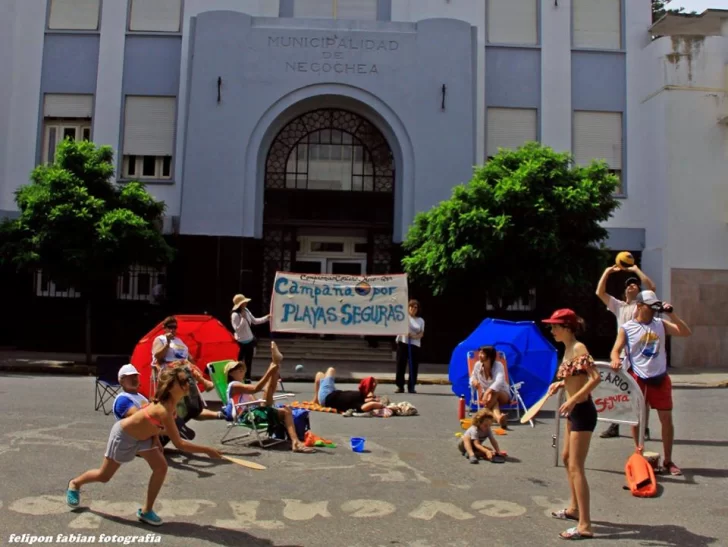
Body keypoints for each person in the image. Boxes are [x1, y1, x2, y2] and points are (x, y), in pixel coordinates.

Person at [66, 368, 223, 526]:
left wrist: (155, 437)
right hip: (124, 437)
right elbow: (179, 444)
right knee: (104, 476)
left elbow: (150, 421)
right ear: (169, 387)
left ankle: (147, 511)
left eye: (187, 381)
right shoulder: (163, 410)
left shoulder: (171, 405)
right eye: (182, 382)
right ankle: (75, 484)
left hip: (145, 438)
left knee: (161, 467)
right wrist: (208, 451)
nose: (187, 384)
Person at [610, 290, 692, 476]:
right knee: (638, 418)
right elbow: (615, 350)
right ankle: (639, 453)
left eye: (656, 306)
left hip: (659, 376)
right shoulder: (628, 327)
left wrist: (671, 313)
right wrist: (615, 360)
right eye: (650, 306)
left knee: (666, 419)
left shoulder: (660, 324)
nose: (654, 310)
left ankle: (669, 460)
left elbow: (686, 332)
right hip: (637, 376)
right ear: (639, 306)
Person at [543, 309, 601, 541]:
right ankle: (574, 508)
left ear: (567, 327)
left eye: (555, 326)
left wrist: (574, 398)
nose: (552, 330)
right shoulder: (567, 349)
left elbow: (595, 378)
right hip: (574, 411)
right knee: (567, 458)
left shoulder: (578, 347)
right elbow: (575, 378)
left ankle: (585, 525)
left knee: (576, 466)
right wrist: (561, 386)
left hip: (583, 412)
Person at [595, 264, 656, 439]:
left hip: (640, 357)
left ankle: (643, 426)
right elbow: (600, 292)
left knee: (640, 393)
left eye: (635, 284)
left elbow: (652, 287)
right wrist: (607, 271)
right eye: (629, 284)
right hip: (621, 355)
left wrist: (636, 270)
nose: (631, 286)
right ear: (624, 292)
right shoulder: (620, 306)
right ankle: (614, 425)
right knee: (617, 391)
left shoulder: (642, 306)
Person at [223, 342, 313, 453]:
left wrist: (266, 397)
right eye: (237, 369)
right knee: (285, 411)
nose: (241, 370)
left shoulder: (243, 387)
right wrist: (269, 372)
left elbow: (257, 400)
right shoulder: (234, 385)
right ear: (231, 374)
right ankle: (295, 442)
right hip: (246, 416)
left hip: (253, 411)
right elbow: (256, 388)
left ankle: (275, 364)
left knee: (272, 397)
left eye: (242, 368)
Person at [231, 294, 270, 384]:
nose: (246, 303)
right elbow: (237, 329)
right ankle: (237, 379)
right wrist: (243, 319)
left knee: (249, 361)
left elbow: (255, 321)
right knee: (239, 363)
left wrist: (266, 318)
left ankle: (247, 378)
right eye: (244, 302)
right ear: (240, 304)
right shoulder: (235, 315)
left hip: (249, 340)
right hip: (240, 342)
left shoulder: (246, 310)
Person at [469, 346, 510, 428]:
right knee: (494, 402)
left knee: (494, 393)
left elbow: (500, 381)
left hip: (502, 394)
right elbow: (472, 378)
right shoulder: (478, 365)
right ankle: (499, 418)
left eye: (482, 353)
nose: (479, 355)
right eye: (479, 353)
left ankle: (480, 416)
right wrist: (475, 382)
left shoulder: (498, 365)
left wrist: (488, 392)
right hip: (487, 397)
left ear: (490, 356)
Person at [313, 369, 387, 414]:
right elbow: (368, 401)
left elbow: (365, 407)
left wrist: (379, 405)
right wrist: (376, 402)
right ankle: (316, 399)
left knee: (326, 371)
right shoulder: (361, 397)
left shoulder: (360, 401)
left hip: (326, 396)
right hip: (331, 393)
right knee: (321, 376)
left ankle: (316, 399)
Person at [395, 299, 425, 394]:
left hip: (414, 344)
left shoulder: (420, 320)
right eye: (411, 307)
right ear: (408, 308)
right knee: (401, 365)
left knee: (413, 366)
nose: (413, 309)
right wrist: (404, 333)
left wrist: (414, 336)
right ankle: (400, 386)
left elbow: (421, 333)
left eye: (415, 307)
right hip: (403, 343)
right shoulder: (403, 317)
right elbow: (397, 327)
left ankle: (411, 386)